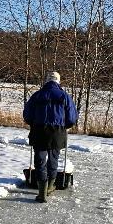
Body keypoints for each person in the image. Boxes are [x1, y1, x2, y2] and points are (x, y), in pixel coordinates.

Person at [23, 71, 78, 203]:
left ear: (46, 81)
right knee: (54, 158)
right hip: (57, 132)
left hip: (39, 130)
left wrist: (33, 123)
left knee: (40, 159)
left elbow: (27, 115)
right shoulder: (64, 96)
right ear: (58, 81)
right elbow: (72, 117)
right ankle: (50, 186)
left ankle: (42, 192)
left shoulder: (37, 95)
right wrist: (66, 125)